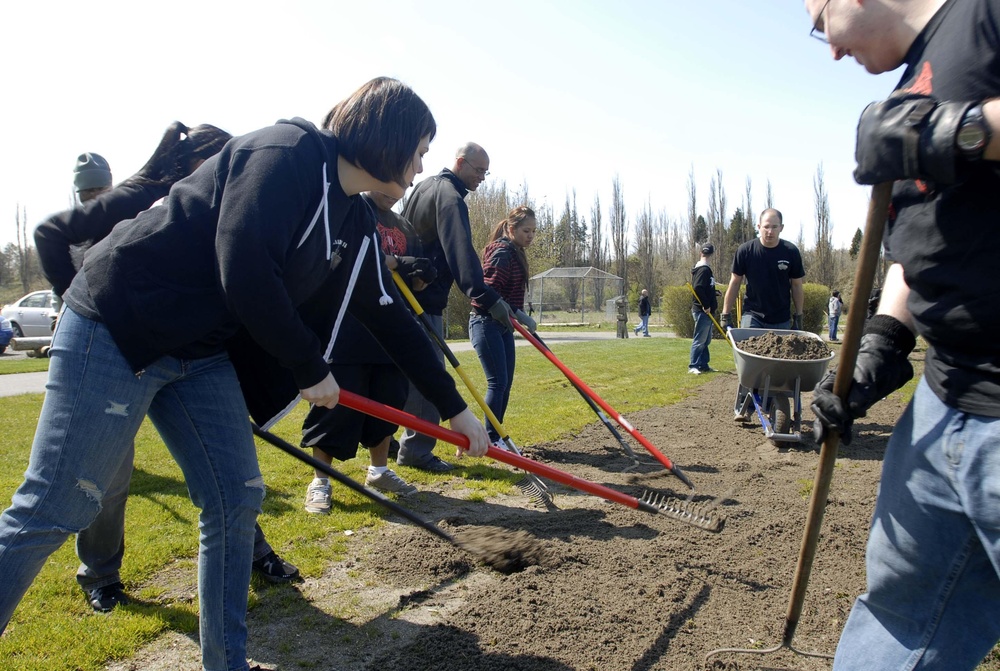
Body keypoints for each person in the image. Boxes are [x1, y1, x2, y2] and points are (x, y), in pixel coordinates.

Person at [0, 77, 489, 671]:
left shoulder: (354, 219)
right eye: (418, 148)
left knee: (236, 498)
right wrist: (310, 368)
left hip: (198, 355)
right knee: (56, 505)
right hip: (118, 323)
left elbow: (389, 316)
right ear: (386, 138)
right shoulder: (285, 154)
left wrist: (455, 410)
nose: (420, 165)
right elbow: (244, 265)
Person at [34, 123, 300, 615]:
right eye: (219, 165)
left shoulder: (222, 205)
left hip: (189, 357)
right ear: (188, 165)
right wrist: (77, 303)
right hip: (116, 347)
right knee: (106, 477)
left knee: (225, 475)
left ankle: (256, 552)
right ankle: (100, 572)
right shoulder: (143, 197)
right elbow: (50, 234)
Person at [805, 1, 1000, 669]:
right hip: (944, 405)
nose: (829, 51)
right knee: (900, 623)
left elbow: (954, 136)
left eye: (817, 19)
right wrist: (880, 345)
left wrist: (955, 130)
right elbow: (918, 248)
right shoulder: (908, 86)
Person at [301, 190, 437, 513]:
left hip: (390, 329)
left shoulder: (403, 225)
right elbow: (349, 258)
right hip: (350, 325)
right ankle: (321, 480)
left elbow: (413, 281)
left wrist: (421, 274)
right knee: (336, 405)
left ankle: (379, 471)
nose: (393, 192)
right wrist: (397, 262)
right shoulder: (351, 209)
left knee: (387, 402)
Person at [396, 141, 513, 472]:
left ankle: (389, 440)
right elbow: (459, 249)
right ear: (460, 163)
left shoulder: (422, 188)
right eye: (478, 171)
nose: (481, 179)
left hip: (404, 292)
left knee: (400, 374)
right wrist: (484, 295)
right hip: (422, 299)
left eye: (485, 173)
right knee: (430, 375)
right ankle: (416, 451)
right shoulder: (449, 197)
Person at [721, 208, 805, 419]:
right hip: (754, 314)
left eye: (774, 227)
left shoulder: (790, 252)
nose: (769, 231)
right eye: (766, 226)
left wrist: (799, 315)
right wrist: (725, 313)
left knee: (777, 366)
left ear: (781, 228)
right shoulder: (746, 251)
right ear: (758, 227)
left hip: (781, 317)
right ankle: (745, 407)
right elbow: (735, 282)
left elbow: (796, 285)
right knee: (751, 362)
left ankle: (771, 406)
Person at [469, 206, 538, 447]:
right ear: (511, 229)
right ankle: (490, 437)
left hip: (503, 325)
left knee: (505, 382)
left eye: (533, 231)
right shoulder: (502, 252)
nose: (530, 235)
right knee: (497, 382)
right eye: (525, 230)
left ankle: (495, 435)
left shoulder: (515, 251)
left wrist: (518, 315)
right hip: (485, 323)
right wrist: (519, 313)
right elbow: (486, 291)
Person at [689, 243, 717, 374]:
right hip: (702, 311)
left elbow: (705, 287)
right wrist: (706, 305)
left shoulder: (704, 269)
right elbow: (698, 288)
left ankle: (703, 364)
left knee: (706, 340)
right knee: (700, 340)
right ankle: (693, 365)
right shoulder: (703, 269)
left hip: (705, 311)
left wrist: (713, 293)